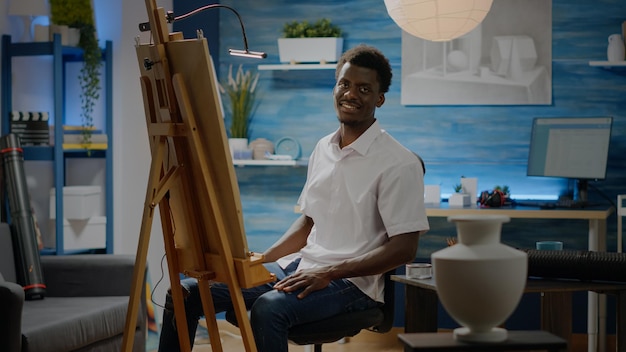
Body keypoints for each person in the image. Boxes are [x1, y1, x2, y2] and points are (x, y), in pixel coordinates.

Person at [158, 44, 430, 352]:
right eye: (345, 84)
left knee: (269, 307)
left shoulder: (398, 162)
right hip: (301, 266)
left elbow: (405, 249)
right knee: (186, 294)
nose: (351, 94)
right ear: (335, 87)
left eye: (364, 89)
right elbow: (309, 220)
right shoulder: (322, 148)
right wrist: (264, 259)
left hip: (354, 284)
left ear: (379, 99)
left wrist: (330, 272)